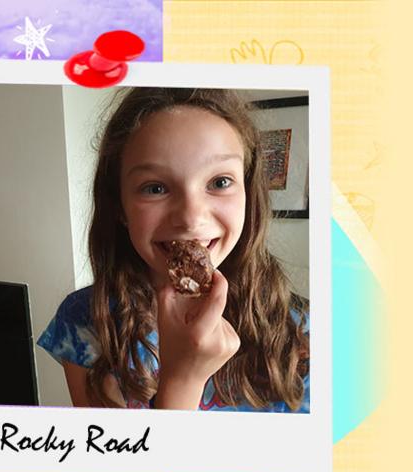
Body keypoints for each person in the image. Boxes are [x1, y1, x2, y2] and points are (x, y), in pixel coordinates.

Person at [37, 88, 310, 411]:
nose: (191, 218)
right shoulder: (85, 320)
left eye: (220, 182)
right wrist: (183, 380)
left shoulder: (303, 332)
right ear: (120, 207)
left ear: (249, 194)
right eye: (155, 188)